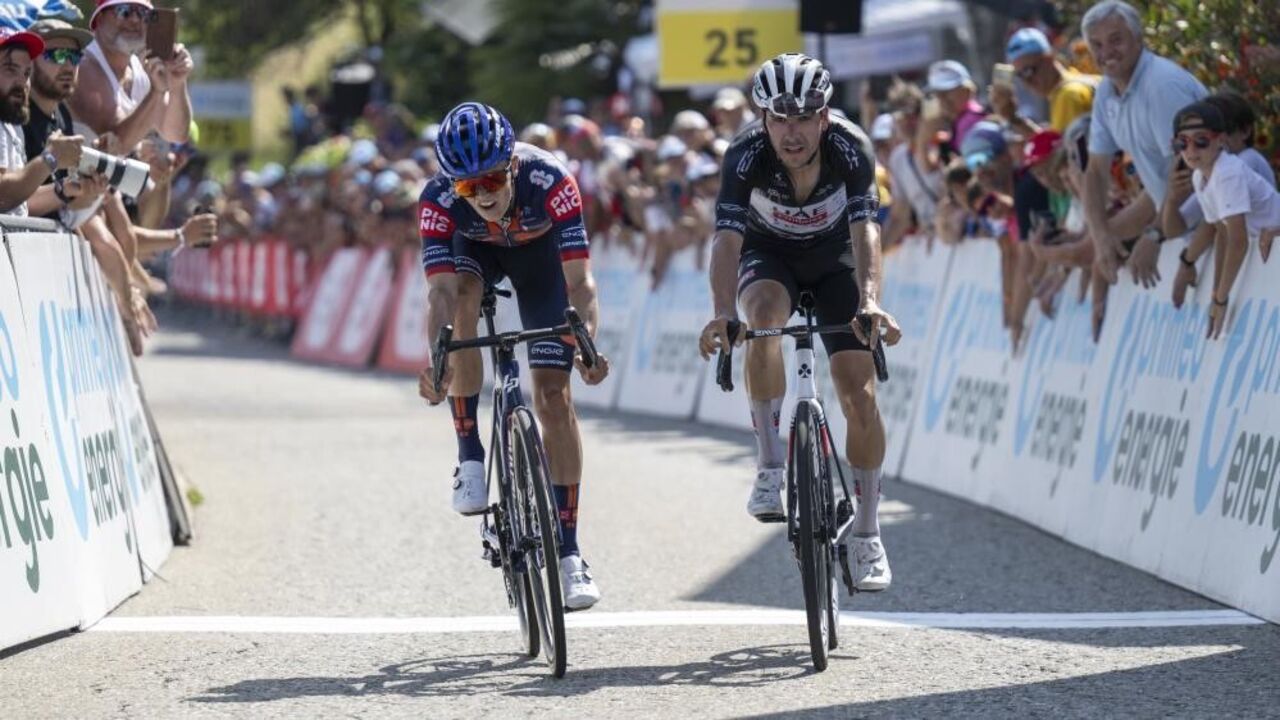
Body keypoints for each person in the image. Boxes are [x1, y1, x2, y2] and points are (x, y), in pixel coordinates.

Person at [697, 53, 903, 592]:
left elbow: (867, 231)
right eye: (780, 119)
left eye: (805, 118)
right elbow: (727, 240)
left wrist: (871, 299)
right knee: (761, 318)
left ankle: (866, 533)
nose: (793, 132)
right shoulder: (744, 155)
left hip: (836, 259)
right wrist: (722, 312)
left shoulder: (850, 148)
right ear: (763, 119)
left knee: (859, 394)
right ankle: (770, 467)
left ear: (824, 117)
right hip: (771, 257)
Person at [417, 102, 610, 610]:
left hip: (539, 262)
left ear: (513, 165)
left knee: (552, 397)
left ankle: (569, 554)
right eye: (468, 187)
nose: (483, 195)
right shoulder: (436, 198)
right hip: (473, 257)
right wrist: (436, 360)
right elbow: (435, 294)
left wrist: (587, 341)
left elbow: (580, 283)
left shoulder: (551, 181)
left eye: (493, 180)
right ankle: (470, 458)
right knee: (460, 301)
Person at [1079, 0, 1206, 289]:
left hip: (1216, 224)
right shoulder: (1106, 92)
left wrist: (1154, 235)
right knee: (1088, 244)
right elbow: (1096, 172)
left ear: (1138, 38)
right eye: (1097, 45)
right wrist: (1102, 240)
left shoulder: (1161, 87)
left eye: (1115, 40)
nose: (1106, 52)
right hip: (1182, 226)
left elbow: (1187, 170)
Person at [1171, 102, 1280, 338]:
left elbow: (1238, 243)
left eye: (1201, 140)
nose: (1191, 150)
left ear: (1221, 140)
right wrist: (1215, 293)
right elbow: (1222, 233)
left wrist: (1221, 300)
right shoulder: (1200, 176)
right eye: (1182, 142)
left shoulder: (1227, 173)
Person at [69, 0, 194, 150]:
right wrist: (157, 92)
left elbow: (176, 134)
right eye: (124, 11)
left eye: (143, 13)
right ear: (100, 18)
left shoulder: (140, 69)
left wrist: (177, 83)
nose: (135, 19)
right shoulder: (83, 65)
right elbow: (114, 144)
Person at [0, 26, 82, 217]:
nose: (22, 82)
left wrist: (68, 190)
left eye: (27, 73)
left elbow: (19, 205)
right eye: (10, 69)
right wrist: (50, 159)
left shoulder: (12, 123)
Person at [1006, 27, 1098, 133]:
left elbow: (1064, 149)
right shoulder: (1083, 80)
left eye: (1028, 71)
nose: (1027, 81)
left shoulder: (1068, 95)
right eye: (1020, 75)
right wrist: (1013, 119)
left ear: (1049, 58)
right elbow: (1053, 145)